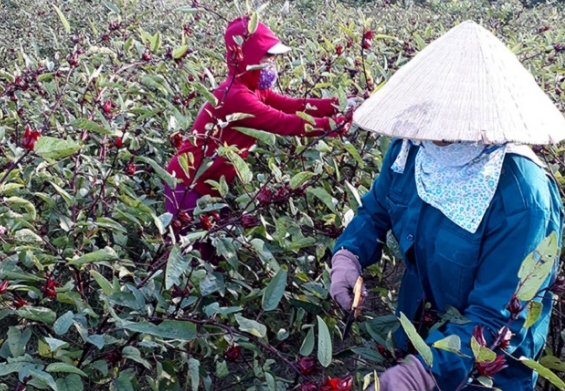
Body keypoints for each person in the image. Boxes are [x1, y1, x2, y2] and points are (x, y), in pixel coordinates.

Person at [330, 21, 565, 391]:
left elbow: (496, 317)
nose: (435, 134)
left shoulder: (523, 200)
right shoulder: (410, 153)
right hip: (418, 330)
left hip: (485, 371)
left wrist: (424, 373)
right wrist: (349, 254)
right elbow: (376, 209)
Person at [166, 17, 351, 230]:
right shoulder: (235, 96)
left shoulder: (254, 89)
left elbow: (294, 105)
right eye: (267, 57)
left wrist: (337, 105)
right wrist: (336, 125)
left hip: (211, 187)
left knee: (214, 252)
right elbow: (285, 122)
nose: (271, 64)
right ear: (248, 57)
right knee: (193, 254)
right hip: (187, 185)